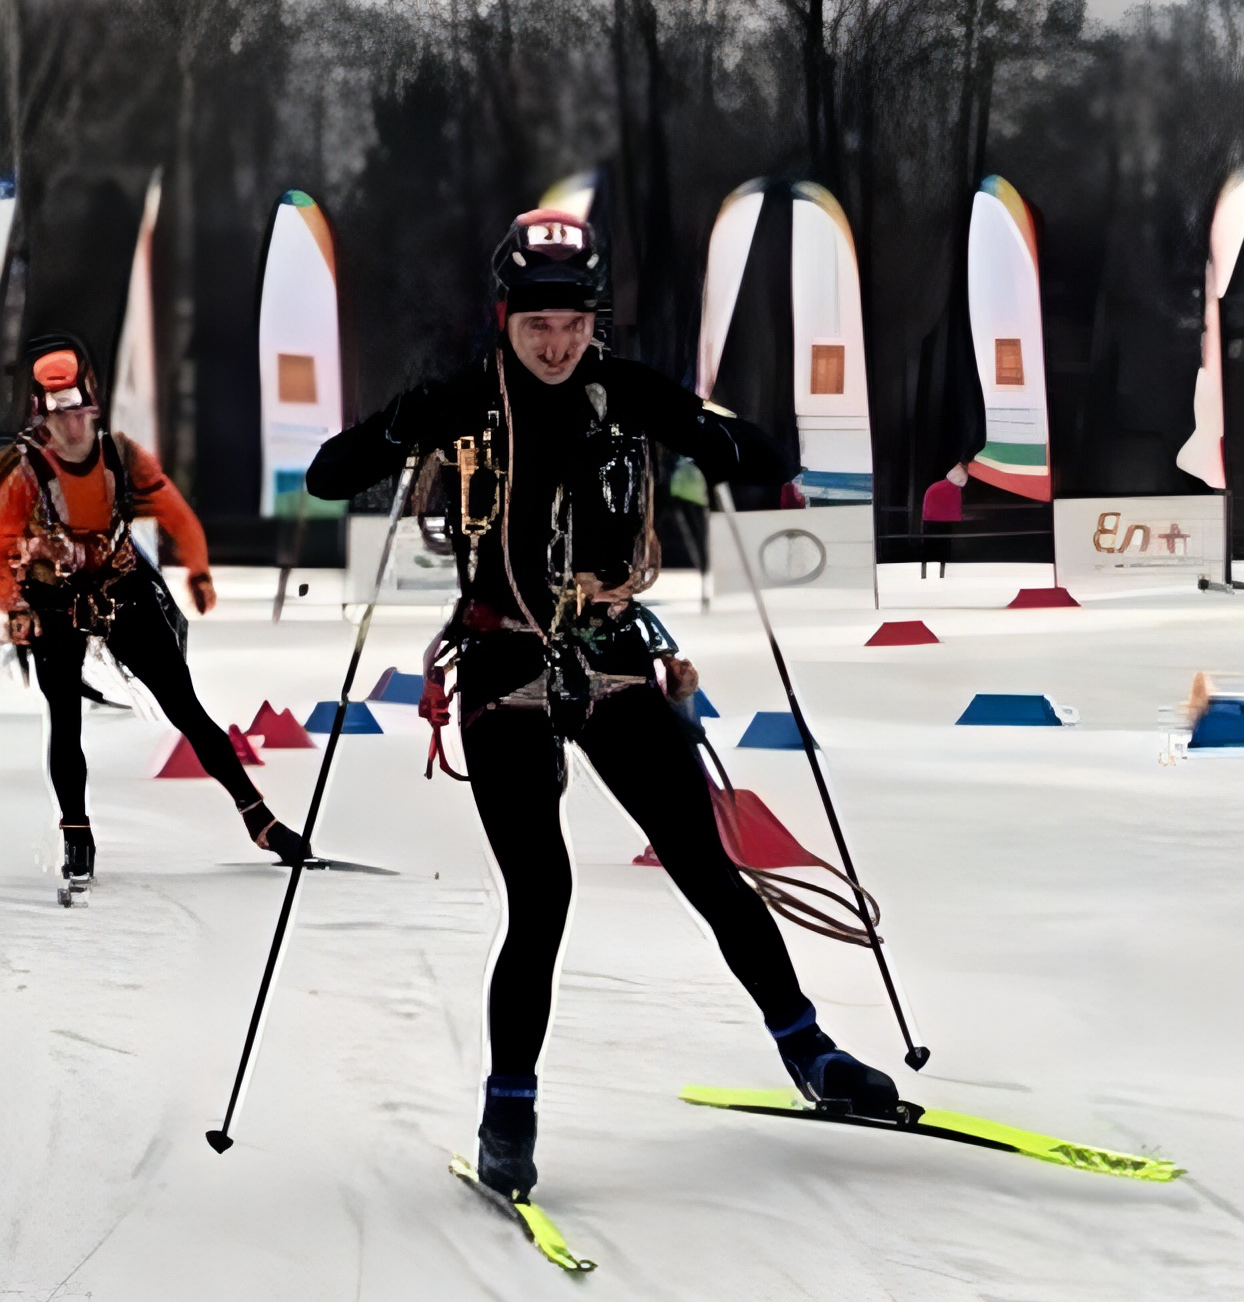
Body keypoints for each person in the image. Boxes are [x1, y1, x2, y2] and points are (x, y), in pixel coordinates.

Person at [307, 209, 899, 1198]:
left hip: (613, 654)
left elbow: (756, 452)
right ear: (506, 315)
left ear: (594, 316)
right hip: (502, 669)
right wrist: (399, 428)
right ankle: (509, 1110)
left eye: (573, 318)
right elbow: (332, 476)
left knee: (709, 865)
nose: (555, 339)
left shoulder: (624, 391)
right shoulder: (465, 399)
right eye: (537, 320)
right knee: (543, 896)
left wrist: (715, 436)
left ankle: (809, 1052)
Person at [0, 338, 310, 897]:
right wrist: (16, 606)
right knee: (64, 718)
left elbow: (173, 509)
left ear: (91, 402)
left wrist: (198, 569)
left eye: (76, 407)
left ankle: (258, 818)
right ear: (39, 413)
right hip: (55, 602)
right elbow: (0, 544)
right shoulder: (23, 472)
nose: (70, 422)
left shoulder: (121, 454)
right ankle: (76, 832)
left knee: (186, 707)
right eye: (57, 410)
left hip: (121, 590)